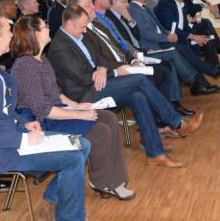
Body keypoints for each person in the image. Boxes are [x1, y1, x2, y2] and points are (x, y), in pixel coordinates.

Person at [0, 11, 89, 221]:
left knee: (82, 144)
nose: (13, 36)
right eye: (8, 31)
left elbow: (3, 111)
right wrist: (22, 138)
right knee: (73, 157)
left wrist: (26, 123)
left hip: (11, 138)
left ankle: (55, 199)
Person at [49, 3, 203, 167]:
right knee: (139, 79)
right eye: (82, 26)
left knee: (138, 96)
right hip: (84, 95)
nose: (85, 30)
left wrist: (102, 68)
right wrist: (113, 72)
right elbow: (83, 78)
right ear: (70, 24)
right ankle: (176, 122)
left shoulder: (79, 35)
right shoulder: (59, 47)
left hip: (100, 83)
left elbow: (99, 57)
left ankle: (155, 153)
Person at [10, 15, 134, 200]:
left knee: (108, 117)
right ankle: (104, 182)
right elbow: (43, 110)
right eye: (44, 27)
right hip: (43, 123)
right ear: (36, 34)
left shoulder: (41, 59)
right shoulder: (26, 66)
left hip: (55, 112)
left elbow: (57, 95)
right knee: (99, 131)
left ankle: (113, 179)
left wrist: (78, 106)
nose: (48, 28)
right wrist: (80, 115)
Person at [82, 0, 192, 116]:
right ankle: (174, 105)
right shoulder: (101, 21)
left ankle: (172, 107)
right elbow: (112, 48)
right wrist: (130, 58)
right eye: (124, 2)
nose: (127, 5)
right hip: (123, 62)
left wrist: (129, 19)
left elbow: (130, 38)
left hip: (134, 54)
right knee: (163, 66)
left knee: (166, 64)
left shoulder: (109, 18)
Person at [125, 0, 220, 96]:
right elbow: (146, 33)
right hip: (152, 45)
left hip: (161, 39)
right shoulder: (134, 9)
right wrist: (167, 37)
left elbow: (159, 26)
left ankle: (202, 81)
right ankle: (209, 74)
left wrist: (168, 33)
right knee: (182, 49)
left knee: (188, 47)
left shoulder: (143, 7)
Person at [155, 0, 220, 66]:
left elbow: (185, 25)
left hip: (182, 33)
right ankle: (214, 62)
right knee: (205, 24)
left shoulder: (181, 4)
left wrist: (194, 35)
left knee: (206, 34)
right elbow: (171, 28)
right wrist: (193, 36)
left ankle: (214, 64)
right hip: (172, 36)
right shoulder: (166, 3)